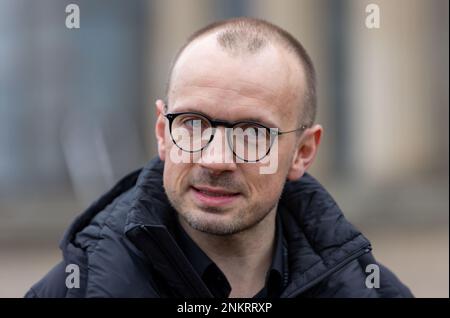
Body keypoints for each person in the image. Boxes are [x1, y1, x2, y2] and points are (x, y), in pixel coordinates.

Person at [25, 17, 413, 298]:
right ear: (163, 133)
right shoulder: (72, 291)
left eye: (251, 134)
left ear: (303, 152)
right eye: (193, 124)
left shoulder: (373, 291)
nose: (214, 159)